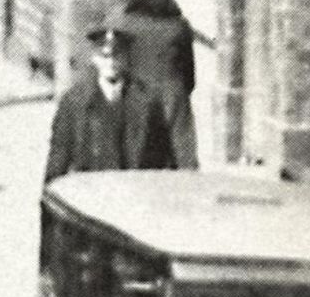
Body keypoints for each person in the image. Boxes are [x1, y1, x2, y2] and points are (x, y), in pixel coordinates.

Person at [44, 12, 198, 181]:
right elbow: (57, 164)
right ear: (94, 57)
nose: (111, 62)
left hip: (134, 197)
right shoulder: (74, 102)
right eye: (104, 55)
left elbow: (163, 159)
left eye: (117, 54)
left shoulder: (148, 101)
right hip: (91, 197)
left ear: (127, 57)